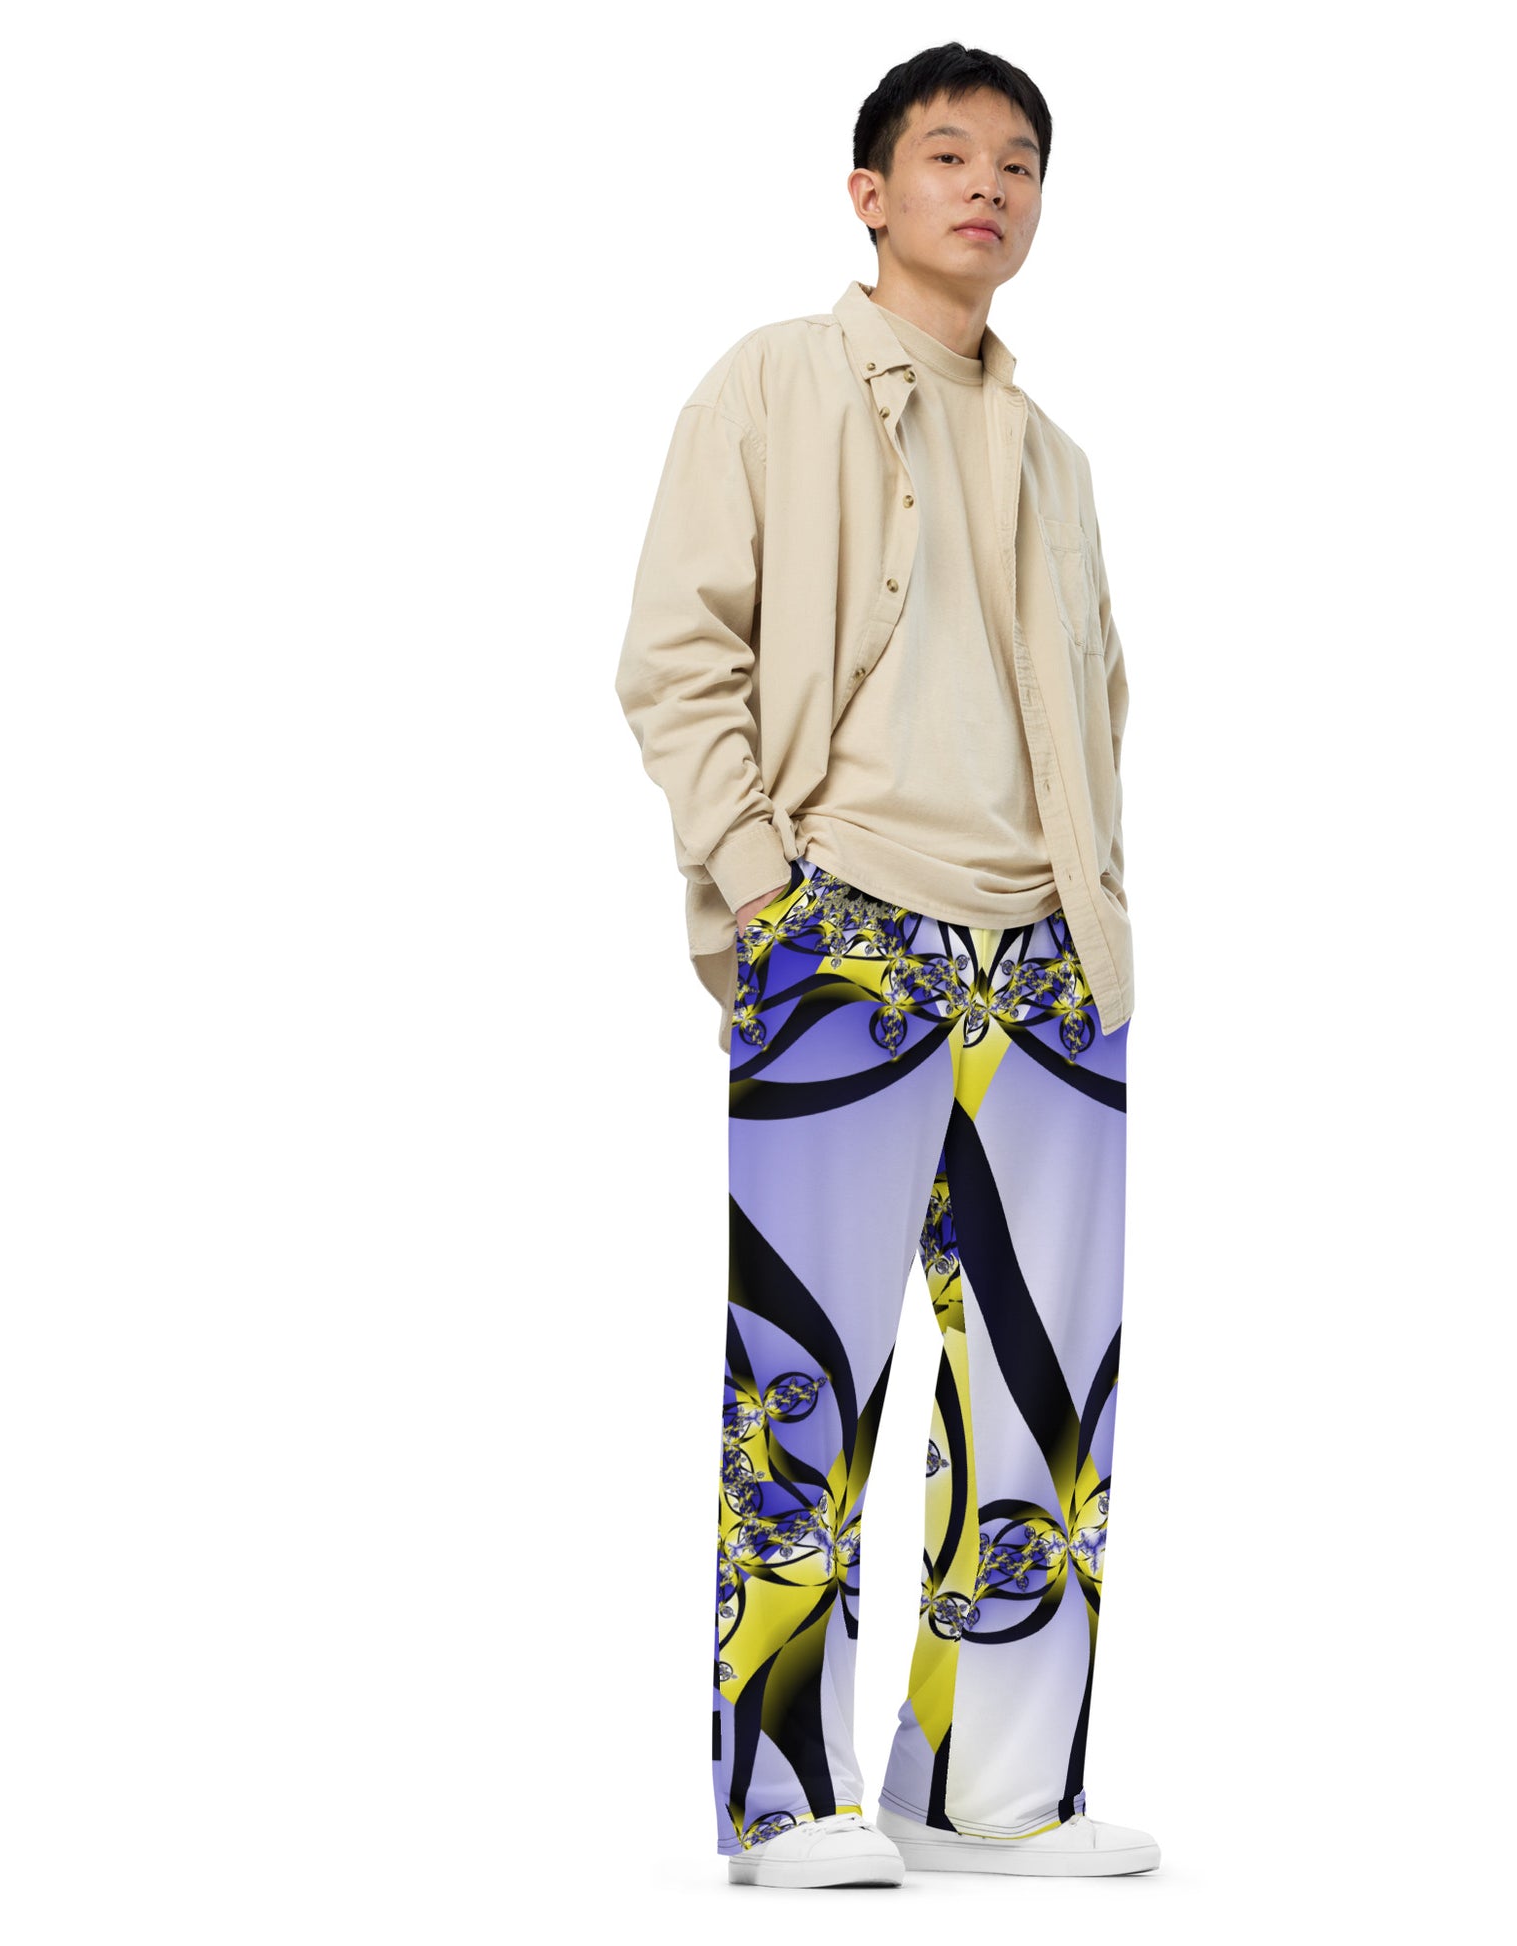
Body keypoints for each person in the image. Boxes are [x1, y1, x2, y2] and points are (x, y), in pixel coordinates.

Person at [614, 42, 1150, 1889]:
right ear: (870, 192)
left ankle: (989, 1790)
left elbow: (1098, 706)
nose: (986, 185)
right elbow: (674, 653)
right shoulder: (772, 384)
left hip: (1048, 967)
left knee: (1043, 1402)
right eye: (946, 154)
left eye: (1018, 162)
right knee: (804, 1375)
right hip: (842, 934)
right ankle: (780, 1800)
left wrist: (1097, 923)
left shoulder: (1056, 457)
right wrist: (766, 885)